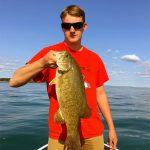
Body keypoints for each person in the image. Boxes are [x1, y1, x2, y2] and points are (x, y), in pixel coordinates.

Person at [9, 5, 118, 150]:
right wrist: (42, 63)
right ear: (62, 27)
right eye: (67, 26)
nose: (72, 30)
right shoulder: (49, 54)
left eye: (77, 25)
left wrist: (111, 128)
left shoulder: (95, 58)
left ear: (84, 27)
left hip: (94, 132)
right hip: (59, 135)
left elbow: (100, 94)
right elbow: (14, 81)